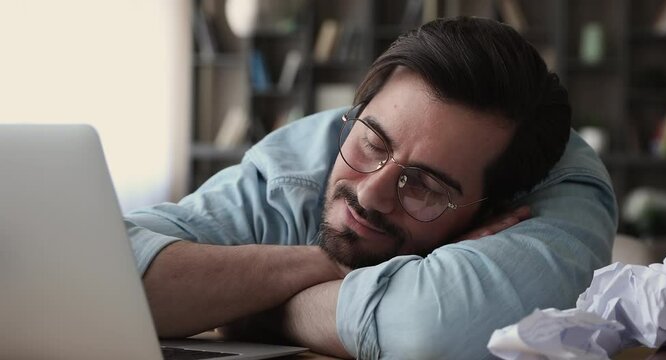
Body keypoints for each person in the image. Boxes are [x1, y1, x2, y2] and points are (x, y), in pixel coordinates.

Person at [127, 17, 616, 359]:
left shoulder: (561, 192)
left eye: (424, 185)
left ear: (492, 210)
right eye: (372, 142)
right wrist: (322, 265)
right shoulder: (306, 152)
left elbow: (431, 329)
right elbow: (106, 270)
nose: (369, 194)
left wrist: (248, 304)